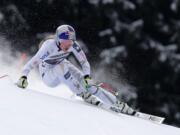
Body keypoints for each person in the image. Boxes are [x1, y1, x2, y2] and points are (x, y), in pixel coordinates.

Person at [17, 24, 135, 115]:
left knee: (87, 82)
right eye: (66, 41)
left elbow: (84, 62)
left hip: (63, 65)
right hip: (48, 76)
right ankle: (83, 94)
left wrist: (87, 77)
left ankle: (115, 102)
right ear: (58, 40)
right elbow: (32, 62)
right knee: (61, 66)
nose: (69, 44)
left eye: (71, 40)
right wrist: (23, 76)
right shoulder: (49, 46)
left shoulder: (73, 45)